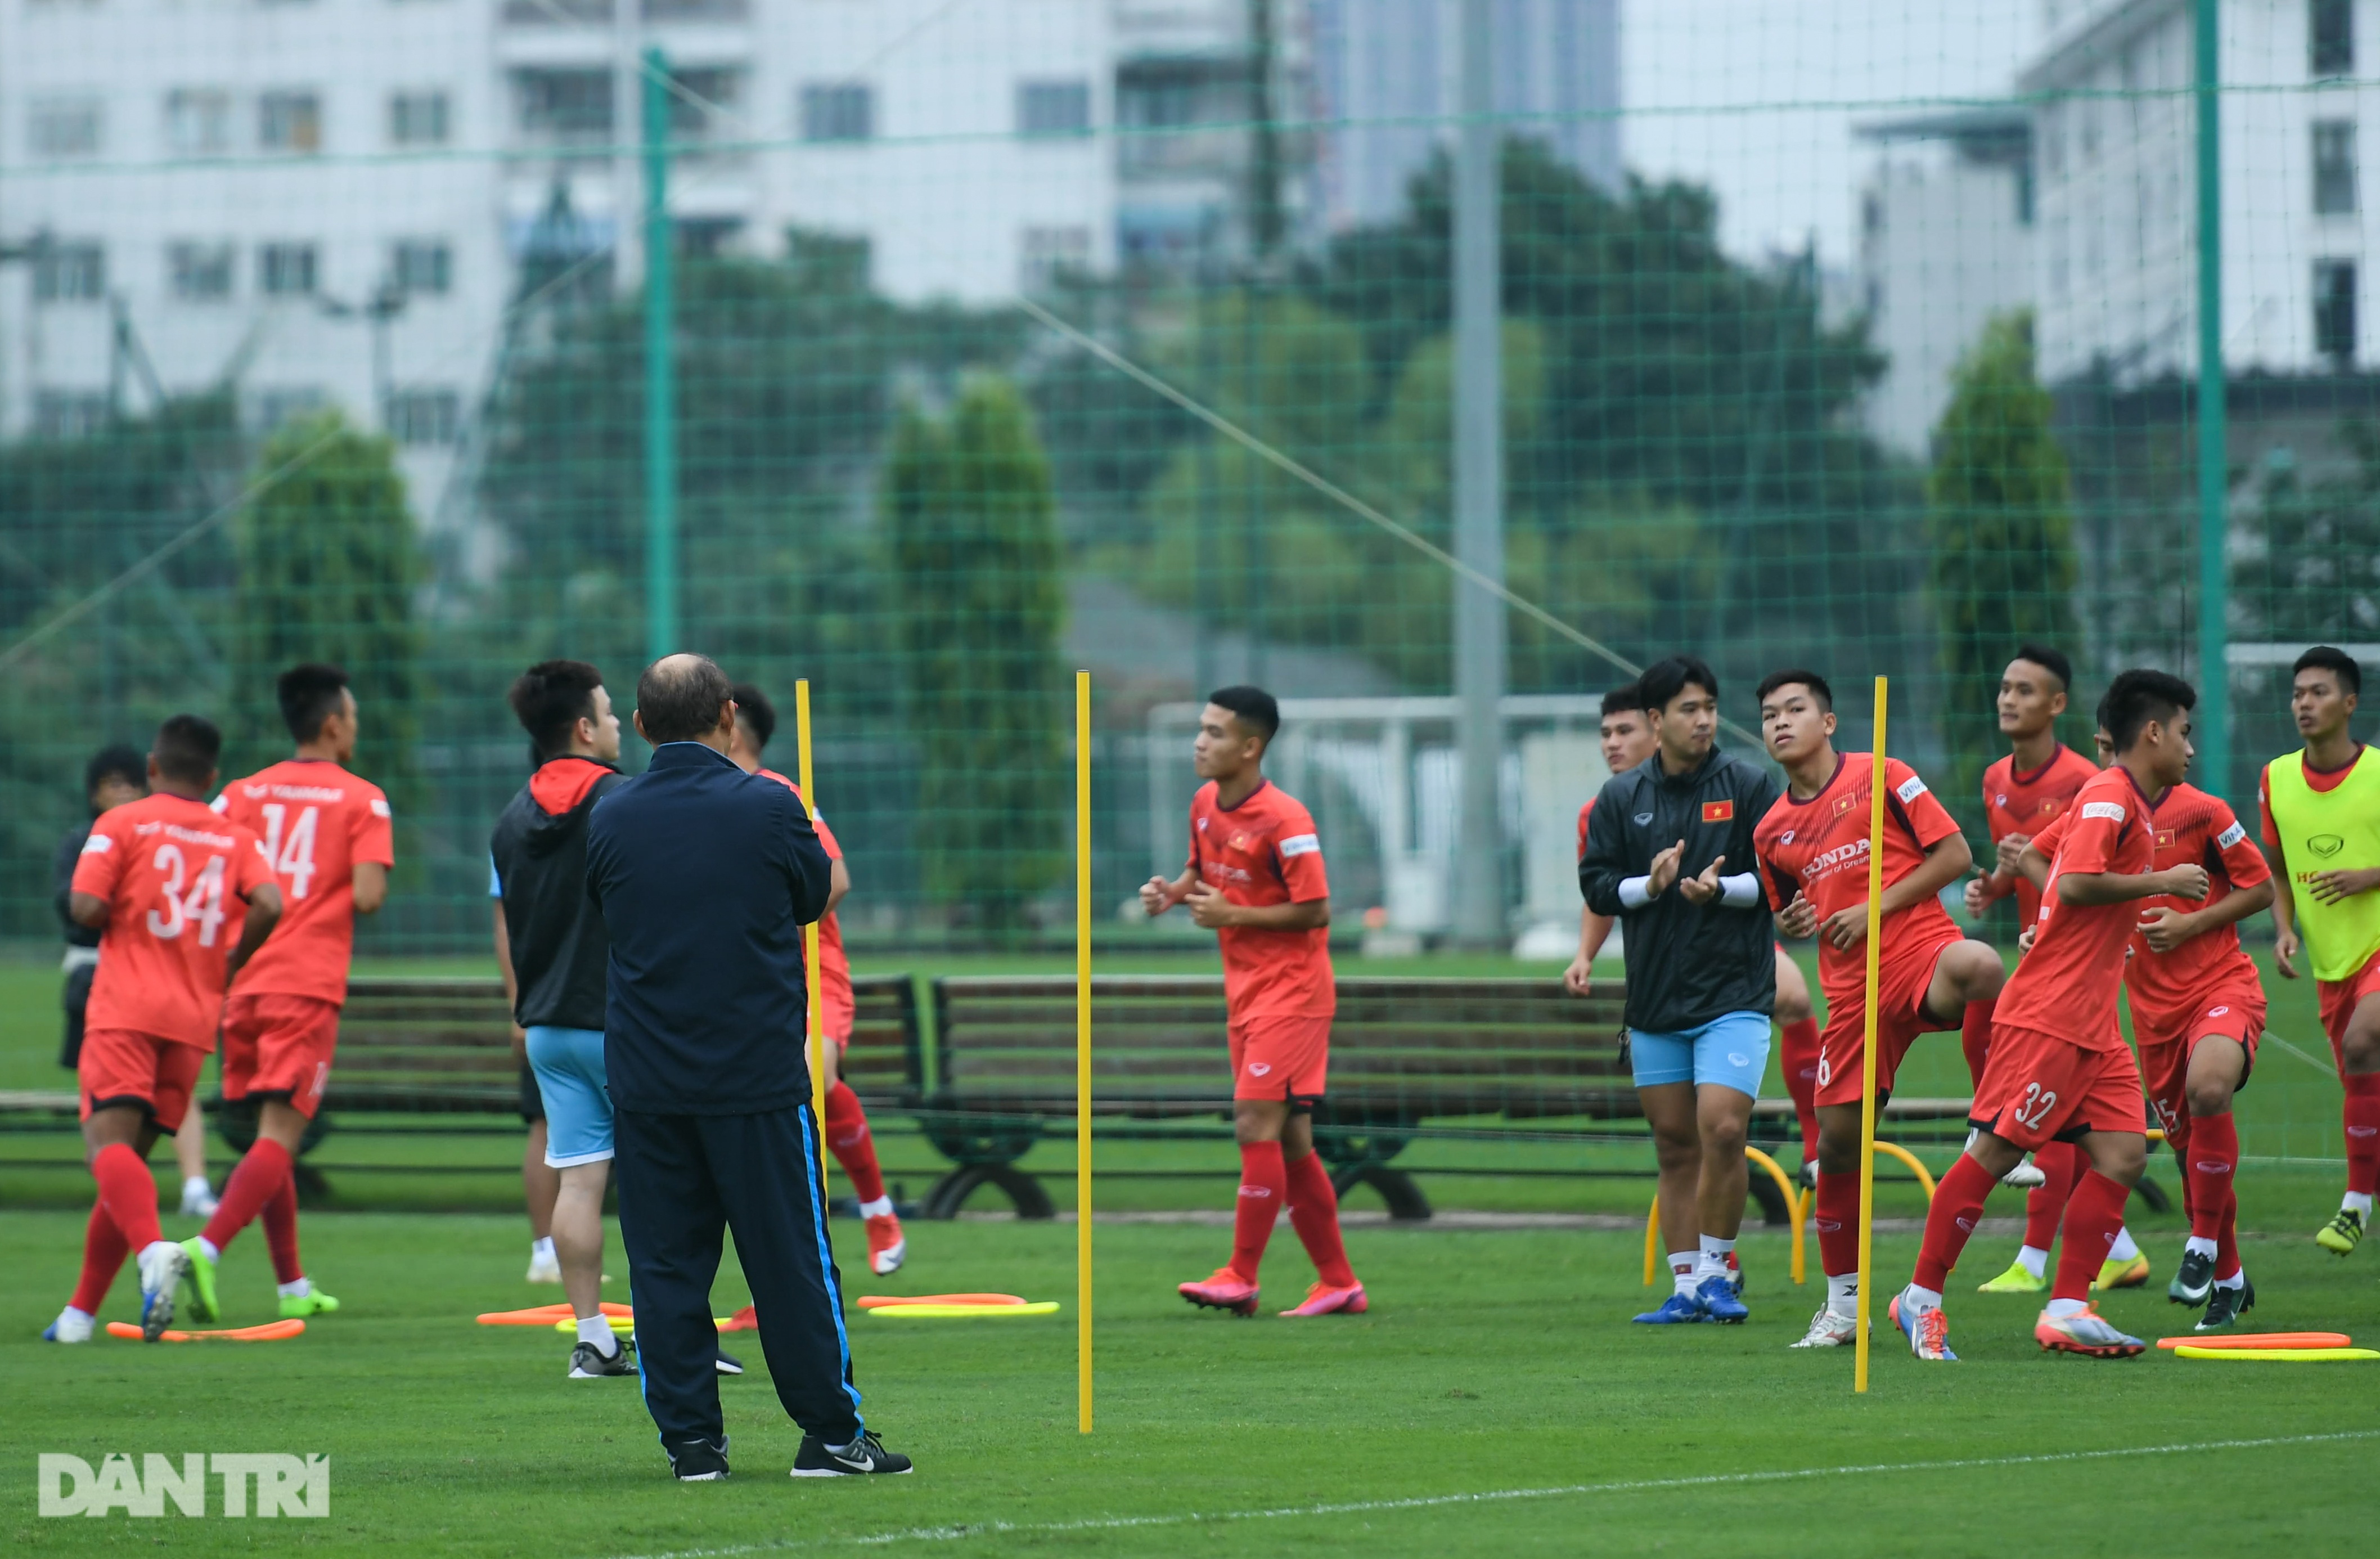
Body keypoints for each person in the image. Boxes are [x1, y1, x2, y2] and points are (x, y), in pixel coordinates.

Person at [587, 654, 906, 1480]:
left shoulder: (612, 812)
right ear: (728, 715)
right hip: (756, 1078)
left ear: (645, 723)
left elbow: (605, 906)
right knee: (790, 1261)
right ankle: (831, 1436)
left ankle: (693, 1445)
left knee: (664, 1267)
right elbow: (811, 896)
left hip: (649, 1079)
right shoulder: (771, 803)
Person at [1888, 670, 2209, 1362]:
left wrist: (2060, 923)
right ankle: (1920, 1297)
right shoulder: (2108, 793)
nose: (2190, 748)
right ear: (2152, 732)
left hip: (2094, 1021)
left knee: (2123, 1155)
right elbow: (2072, 879)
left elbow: (2041, 861)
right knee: (1996, 1153)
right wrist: (2159, 881)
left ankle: (2066, 1306)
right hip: (2050, 1016)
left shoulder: (2130, 801)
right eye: (2184, 732)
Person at [1749, 671, 2005, 1349]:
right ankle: (1843, 1306)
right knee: (1836, 1148)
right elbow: (1790, 911)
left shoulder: (1884, 772)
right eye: (1770, 713)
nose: (1781, 722)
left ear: (1828, 722)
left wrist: (1876, 905)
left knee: (1982, 966)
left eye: (1795, 709)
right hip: (1852, 994)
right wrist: (1800, 917)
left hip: (1921, 950)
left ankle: (1992, 1111)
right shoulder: (1770, 829)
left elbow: (1954, 854)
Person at [2014, 722, 2273, 1329]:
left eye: (2188, 733)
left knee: (2208, 1088)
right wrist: (2054, 923)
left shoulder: (2203, 809)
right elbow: (2037, 857)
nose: (2105, 761)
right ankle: (2230, 1279)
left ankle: (2201, 1245)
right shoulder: (2098, 806)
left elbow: (2260, 886)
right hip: (2151, 1013)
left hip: (2220, 986)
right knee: (2188, 1157)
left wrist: (2190, 924)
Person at [44, 715, 282, 1343]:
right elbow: (271, 902)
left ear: (152, 767)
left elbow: (85, 905)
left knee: (107, 1151)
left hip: (126, 1007)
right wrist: (231, 960)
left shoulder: (121, 822)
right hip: (193, 1017)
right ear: (211, 776)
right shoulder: (233, 837)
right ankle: (78, 1315)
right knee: (128, 1169)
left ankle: (155, 1250)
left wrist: (123, 901)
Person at [1143, 686, 1366, 1319]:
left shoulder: (1287, 819)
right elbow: (1201, 871)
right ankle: (1339, 1282)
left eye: (1214, 732)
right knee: (1292, 1139)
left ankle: (1240, 1272)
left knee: (1252, 1123)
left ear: (1250, 746)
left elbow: (1317, 909)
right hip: (1245, 994)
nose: (1199, 741)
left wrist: (1232, 912)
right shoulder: (1203, 802)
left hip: (1293, 995)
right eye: (1200, 729)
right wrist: (1173, 892)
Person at [176, 666, 389, 1325]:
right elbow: (367, 896)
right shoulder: (363, 799)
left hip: (243, 985)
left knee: (270, 1141)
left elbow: (200, 866)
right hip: (306, 982)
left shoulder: (241, 793)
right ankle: (203, 1248)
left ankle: (293, 1283)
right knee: (280, 1133)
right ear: (332, 724)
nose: (355, 726)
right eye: (352, 716)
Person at [1580, 655, 1781, 1326]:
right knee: (1673, 1144)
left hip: (1732, 995)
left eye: (1710, 706)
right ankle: (1686, 1286)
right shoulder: (1620, 798)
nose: (1704, 719)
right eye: (1689, 709)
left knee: (1722, 1127)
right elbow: (1597, 883)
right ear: (1657, 720)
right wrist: (1653, 886)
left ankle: (1720, 1272)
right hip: (1655, 1003)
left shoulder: (1749, 784)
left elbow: (1777, 879)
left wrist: (1719, 889)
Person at [1961, 646, 2147, 1291]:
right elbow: (2022, 864)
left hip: (2076, 969)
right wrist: (1991, 885)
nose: (2008, 699)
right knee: (2013, 1070)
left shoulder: (2084, 782)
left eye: (2024, 689)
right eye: (2004, 687)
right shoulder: (1993, 778)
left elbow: (2076, 879)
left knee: (2056, 1110)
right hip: (2036, 960)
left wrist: (2037, 886)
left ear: (2057, 704)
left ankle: (2035, 1260)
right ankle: (2112, 1249)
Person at [488, 660, 649, 1377]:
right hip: (622, 1022)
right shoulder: (623, 802)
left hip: (548, 1027)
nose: (617, 724)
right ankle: (677, 1337)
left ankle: (593, 1338)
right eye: (610, 713)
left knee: (580, 1180)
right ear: (584, 727)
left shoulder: (512, 815)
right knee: (659, 1177)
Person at [723, 682, 905, 1284]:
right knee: (765, 1119)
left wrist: (767, 921)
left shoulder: (779, 793)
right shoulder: (708, 799)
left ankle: (878, 1210)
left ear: (733, 730)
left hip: (809, 970)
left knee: (811, 1081)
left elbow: (837, 879)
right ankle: (781, 1280)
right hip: (744, 980)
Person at [57, 746, 220, 1216]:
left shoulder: (140, 834)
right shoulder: (87, 840)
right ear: (94, 792)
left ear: (151, 777)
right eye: (113, 784)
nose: (124, 793)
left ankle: (175, 1207)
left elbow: (85, 908)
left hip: (132, 990)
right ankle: (156, 1203)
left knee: (112, 1128)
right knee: (121, 1119)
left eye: (131, 783)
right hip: (112, 979)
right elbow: (73, 910)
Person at [2259, 645, 2380, 1255]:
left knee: (2364, 1040)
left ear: (2349, 703)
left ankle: (2354, 1206)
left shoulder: (2379, 773)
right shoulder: (2276, 778)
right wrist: (2285, 928)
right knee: (2363, 1087)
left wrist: (2370, 875)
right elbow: (2278, 872)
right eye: (2297, 693)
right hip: (2330, 963)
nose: (2304, 703)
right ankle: (2369, 1186)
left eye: (2318, 692)